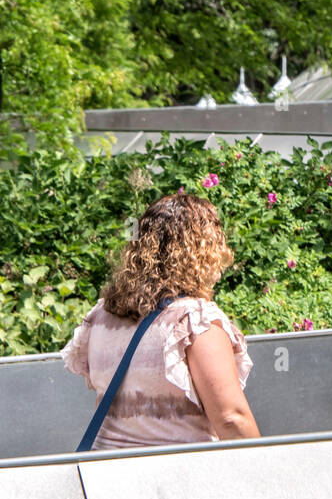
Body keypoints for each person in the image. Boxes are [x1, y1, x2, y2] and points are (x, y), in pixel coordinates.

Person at [62, 192, 260, 449]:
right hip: (173, 478)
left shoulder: (101, 317)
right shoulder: (194, 321)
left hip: (102, 476)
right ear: (203, 251)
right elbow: (231, 418)